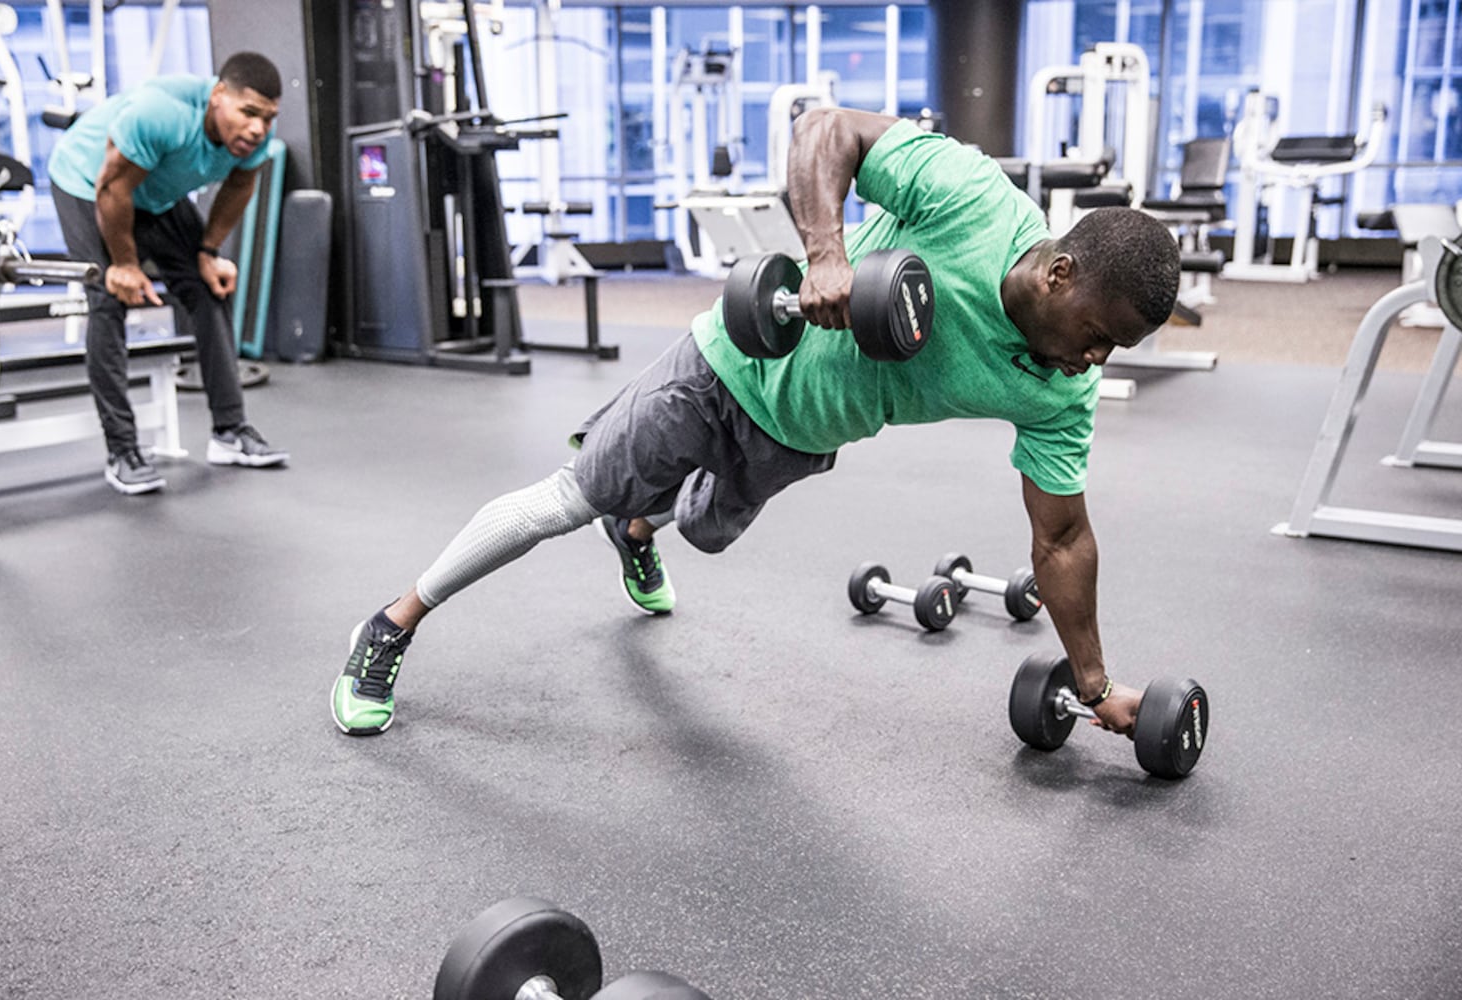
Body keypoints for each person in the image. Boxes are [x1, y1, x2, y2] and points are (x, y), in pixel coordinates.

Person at [329, 107, 1181, 740]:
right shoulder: (970, 203)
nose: (1095, 364)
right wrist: (825, 256)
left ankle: (637, 525)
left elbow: (1062, 539)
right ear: (1058, 274)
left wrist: (1095, 681)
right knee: (566, 502)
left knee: (700, 529)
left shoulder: (1055, 394)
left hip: (803, 437)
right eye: (1099, 337)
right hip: (722, 369)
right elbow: (825, 130)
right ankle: (393, 622)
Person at [48, 51, 289, 495]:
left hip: (152, 193)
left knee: (209, 287)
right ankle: (123, 452)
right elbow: (113, 187)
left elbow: (240, 184)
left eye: (268, 118)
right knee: (109, 297)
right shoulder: (162, 114)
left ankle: (230, 432)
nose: (258, 128)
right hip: (88, 181)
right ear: (219, 96)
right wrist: (124, 264)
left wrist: (208, 250)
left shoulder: (251, 143)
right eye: (249, 113)